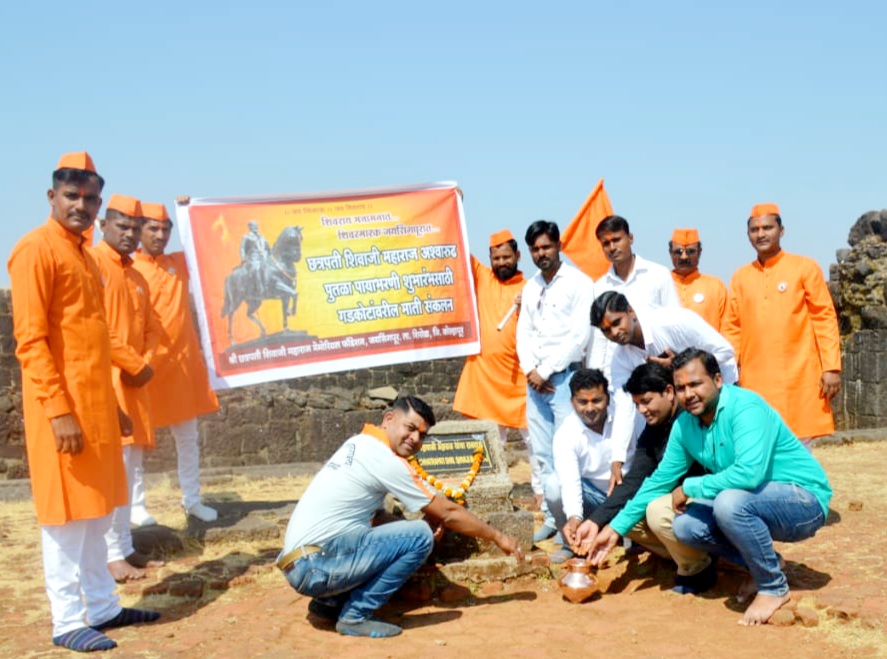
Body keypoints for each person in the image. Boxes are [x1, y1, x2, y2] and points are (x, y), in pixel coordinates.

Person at [8, 152, 159, 652]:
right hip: (61, 412)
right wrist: (58, 411)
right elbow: (31, 342)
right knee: (66, 519)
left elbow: (91, 340)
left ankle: (103, 606)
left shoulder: (85, 256)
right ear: (52, 197)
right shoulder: (35, 250)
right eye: (71, 196)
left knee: (97, 513)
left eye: (90, 198)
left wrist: (111, 407)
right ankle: (67, 620)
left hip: (94, 409)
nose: (81, 205)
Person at [589, 349, 832, 626]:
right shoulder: (685, 425)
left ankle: (773, 587)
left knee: (728, 503)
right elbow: (658, 481)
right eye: (681, 387)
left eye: (695, 384)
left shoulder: (746, 407)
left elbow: (749, 474)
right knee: (685, 526)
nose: (688, 394)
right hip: (752, 501)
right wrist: (614, 529)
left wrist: (690, 487)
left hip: (803, 502)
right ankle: (766, 564)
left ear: (717, 380)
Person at [278, 396, 523, 638]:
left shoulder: (360, 443)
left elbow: (375, 518)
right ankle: (355, 615)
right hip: (315, 566)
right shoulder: (385, 459)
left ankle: (329, 603)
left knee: (412, 532)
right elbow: (448, 513)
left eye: (423, 435)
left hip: (300, 565)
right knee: (421, 536)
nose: (415, 438)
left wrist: (407, 531)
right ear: (389, 419)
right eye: (410, 428)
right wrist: (498, 537)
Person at [572, 362, 714, 594]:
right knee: (621, 514)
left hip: (702, 500)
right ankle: (684, 554)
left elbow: (664, 481)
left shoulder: (686, 422)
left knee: (654, 510)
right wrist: (596, 521)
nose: (642, 410)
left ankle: (698, 566)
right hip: (676, 504)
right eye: (637, 404)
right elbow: (634, 480)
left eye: (646, 401)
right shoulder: (652, 430)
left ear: (669, 392)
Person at [590, 291, 737, 494]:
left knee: (728, 460)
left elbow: (725, 351)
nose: (614, 333)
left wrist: (679, 367)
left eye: (617, 323)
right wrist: (618, 458)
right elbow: (624, 407)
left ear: (630, 311)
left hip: (721, 392)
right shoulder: (621, 360)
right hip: (685, 411)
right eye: (606, 330)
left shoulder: (673, 322)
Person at [90, 195, 166, 583]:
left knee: (131, 468)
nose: (129, 235)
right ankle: (109, 554)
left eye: (135, 229)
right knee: (114, 472)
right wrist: (135, 364)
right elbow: (96, 328)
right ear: (103, 225)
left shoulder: (136, 276)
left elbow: (153, 329)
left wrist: (145, 363)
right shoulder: (93, 265)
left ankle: (124, 545)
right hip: (109, 382)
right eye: (121, 227)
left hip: (136, 386)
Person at [722, 203, 841, 444]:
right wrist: (727, 372)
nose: (761, 234)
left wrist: (831, 367)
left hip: (798, 377)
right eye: (754, 229)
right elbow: (732, 328)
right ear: (748, 235)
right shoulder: (740, 277)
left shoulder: (804, 267)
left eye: (767, 228)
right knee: (758, 441)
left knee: (799, 445)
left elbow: (824, 317)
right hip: (755, 379)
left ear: (781, 231)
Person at [133, 201, 221, 523]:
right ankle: (135, 506)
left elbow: (205, 242)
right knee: (136, 442)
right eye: (153, 228)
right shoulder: (130, 267)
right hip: (145, 368)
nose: (160, 235)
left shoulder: (178, 263)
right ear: (139, 230)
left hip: (181, 369)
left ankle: (192, 500)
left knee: (188, 439)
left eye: (165, 229)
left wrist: (186, 210)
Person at [515, 220, 595, 542]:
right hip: (535, 383)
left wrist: (546, 370)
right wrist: (530, 371)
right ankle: (552, 518)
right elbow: (523, 333)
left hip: (565, 381)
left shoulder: (578, 282)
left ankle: (572, 525)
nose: (541, 253)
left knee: (566, 454)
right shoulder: (531, 286)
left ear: (559, 246)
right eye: (535, 249)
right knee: (542, 455)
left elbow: (579, 336)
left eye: (546, 246)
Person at [545, 368, 643, 563]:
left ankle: (635, 542)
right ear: (572, 402)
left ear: (608, 398)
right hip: (592, 500)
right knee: (553, 486)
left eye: (596, 400)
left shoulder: (627, 420)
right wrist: (574, 517)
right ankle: (572, 543)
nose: (590, 408)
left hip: (629, 496)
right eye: (583, 402)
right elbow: (570, 482)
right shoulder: (566, 434)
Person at [453, 229, 528, 447]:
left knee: (535, 441)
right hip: (486, 378)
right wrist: (449, 209)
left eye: (506, 257)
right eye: (496, 258)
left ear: (517, 256)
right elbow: (457, 248)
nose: (501, 262)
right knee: (490, 443)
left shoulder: (529, 288)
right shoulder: (483, 277)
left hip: (519, 380)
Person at [588, 215, 680, 381]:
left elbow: (675, 321)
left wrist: (676, 361)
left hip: (657, 367)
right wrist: (595, 378)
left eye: (616, 240)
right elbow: (599, 339)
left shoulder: (658, 274)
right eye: (606, 243)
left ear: (630, 238)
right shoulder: (600, 286)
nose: (612, 247)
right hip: (617, 373)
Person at [668, 228, 728, 331]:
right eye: (678, 252)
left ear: (699, 252)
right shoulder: (661, 284)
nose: (684, 257)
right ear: (670, 253)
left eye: (690, 251)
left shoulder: (716, 287)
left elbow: (728, 329)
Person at [240, 220, 270, 299]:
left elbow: (268, 248)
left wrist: (269, 255)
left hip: (264, 258)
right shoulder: (246, 237)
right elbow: (242, 248)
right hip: (253, 259)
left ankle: (269, 287)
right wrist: (243, 258)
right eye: (253, 226)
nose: (255, 228)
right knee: (256, 269)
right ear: (249, 227)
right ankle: (260, 289)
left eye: (256, 226)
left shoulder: (262, 237)